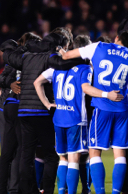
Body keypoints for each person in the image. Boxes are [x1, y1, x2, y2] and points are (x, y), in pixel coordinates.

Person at [0, 27, 89, 194]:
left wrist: (19, 47)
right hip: (40, 111)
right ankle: (47, 190)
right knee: (51, 155)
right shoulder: (50, 57)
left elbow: (7, 55)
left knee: (26, 154)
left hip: (23, 110)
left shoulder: (26, 56)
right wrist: (82, 60)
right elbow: (61, 64)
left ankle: (26, 190)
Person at [59, 31, 128, 194]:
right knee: (120, 155)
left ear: (117, 38)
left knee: (95, 152)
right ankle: (117, 192)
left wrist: (60, 51)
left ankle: (101, 191)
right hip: (122, 109)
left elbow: (68, 56)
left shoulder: (99, 47)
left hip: (102, 108)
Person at [0, 32, 42, 194]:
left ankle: (5, 189)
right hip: (20, 107)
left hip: (9, 106)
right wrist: (11, 84)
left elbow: (2, 78)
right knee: (24, 151)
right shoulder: (33, 59)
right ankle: (22, 189)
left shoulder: (14, 58)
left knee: (8, 152)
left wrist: (9, 83)